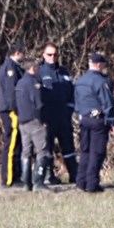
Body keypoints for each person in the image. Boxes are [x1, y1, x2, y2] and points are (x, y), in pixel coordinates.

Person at [73, 52, 114, 193]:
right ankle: (92, 184)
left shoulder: (80, 81)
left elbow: (76, 101)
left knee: (85, 151)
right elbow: (107, 103)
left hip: (84, 119)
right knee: (97, 152)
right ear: (99, 65)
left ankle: (81, 181)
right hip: (98, 120)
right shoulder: (101, 82)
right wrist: (113, 122)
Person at [38, 42, 77, 185]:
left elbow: (72, 93)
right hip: (48, 118)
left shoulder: (64, 73)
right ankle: (49, 176)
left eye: (55, 54)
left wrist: (70, 109)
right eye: (49, 54)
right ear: (43, 55)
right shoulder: (39, 72)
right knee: (47, 148)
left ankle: (74, 175)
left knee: (68, 147)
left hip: (64, 117)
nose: (52, 57)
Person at [15, 58, 53, 191]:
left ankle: (26, 183)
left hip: (22, 121)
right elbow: (38, 104)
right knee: (42, 151)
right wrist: (44, 119)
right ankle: (39, 182)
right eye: (37, 68)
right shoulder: (33, 83)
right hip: (34, 121)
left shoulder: (19, 83)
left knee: (26, 152)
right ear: (33, 69)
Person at [0, 40, 26, 188]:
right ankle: (8, 178)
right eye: (23, 53)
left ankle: (17, 175)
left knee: (18, 144)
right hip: (11, 111)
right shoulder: (10, 68)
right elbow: (11, 91)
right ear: (17, 53)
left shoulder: (16, 67)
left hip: (14, 111)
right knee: (12, 143)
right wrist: (16, 109)